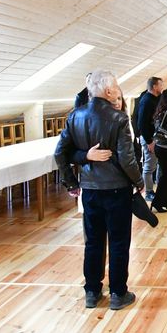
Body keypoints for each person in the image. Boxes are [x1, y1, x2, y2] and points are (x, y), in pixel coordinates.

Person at [55, 69, 142, 311]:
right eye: (115, 86)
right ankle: (118, 293)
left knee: (92, 242)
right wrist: (139, 181)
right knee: (118, 242)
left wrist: (72, 182)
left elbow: (60, 153)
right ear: (108, 91)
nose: (117, 90)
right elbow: (127, 159)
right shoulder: (119, 118)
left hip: (90, 190)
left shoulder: (75, 116)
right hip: (116, 190)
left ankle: (92, 291)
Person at [137, 77, 164, 201]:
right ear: (154, 86)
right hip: (149, 138)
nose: (162, 87)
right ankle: (148, 192)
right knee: (149, 166)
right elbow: (141, 123)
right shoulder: (146, 100)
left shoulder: (157, 98)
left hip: (156, 137)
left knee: (158, 165)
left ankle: (160, 190)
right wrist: (149, 141)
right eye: (160, 85)